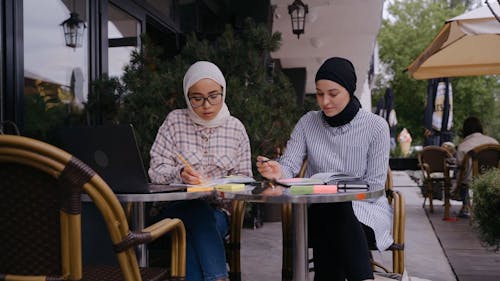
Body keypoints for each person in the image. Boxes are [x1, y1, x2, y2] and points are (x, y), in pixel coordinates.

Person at [257, 57, 392, 281]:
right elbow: (289, 165)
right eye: (319, 93)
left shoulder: (376, 127)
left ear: (349, 90)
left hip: (365, 210)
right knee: (330, 210)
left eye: (333, 93)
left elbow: (376, 186)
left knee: (335, 210)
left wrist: (337, 193)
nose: (324, 101)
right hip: (317, 210)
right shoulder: (308, 122)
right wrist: (277, 171)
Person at [148, 61, 252, 281]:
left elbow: (246, 181)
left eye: (214, 96)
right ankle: (219, 277)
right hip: (173, 209)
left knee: (197, 225)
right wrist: (179, 174)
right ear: (187, 97)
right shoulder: (175, 121)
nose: (206, 105)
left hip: (218, 212)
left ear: (224, 91)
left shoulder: (236, 129)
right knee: (195, 211)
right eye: (197, 99)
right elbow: (155, 171)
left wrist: (222, 188)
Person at [454, 116, 498, 218]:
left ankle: (466, 207)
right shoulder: (494, 142)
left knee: (460, 174)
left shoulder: (464, 145)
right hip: (492, 178)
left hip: (471, 179)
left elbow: (460, 165)